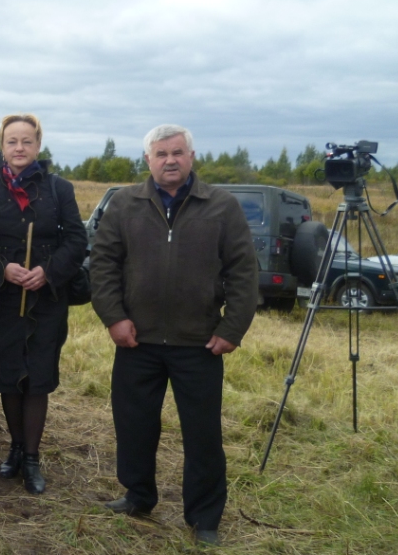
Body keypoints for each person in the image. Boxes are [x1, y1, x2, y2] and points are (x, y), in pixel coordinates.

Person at [90, 124, 258, 546]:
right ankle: (138, 495)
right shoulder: (125, 204)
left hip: (198, 344)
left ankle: (204, 517)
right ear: (147, 160)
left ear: (191, 156)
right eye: (161, 153)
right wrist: (114, 317)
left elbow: (243, 271)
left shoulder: (221, 206)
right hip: (136, 341)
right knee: (134, 425)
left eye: (177, 152)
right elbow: (103, 265)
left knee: (203, 434)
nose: (170, 160)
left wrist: (231, 328)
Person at [0, 113, 86, 494]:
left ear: (38, 145)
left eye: (27, 141)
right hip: (1, 299)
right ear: (2, 146)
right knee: (9, 378)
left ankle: (32, 458)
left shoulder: (59, 189)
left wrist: (48, 271)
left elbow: (77, 241)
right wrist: (2, 270)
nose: (19, 148)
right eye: (12, 141)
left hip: (45, 301)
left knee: (37, 379)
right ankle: (15, 449)